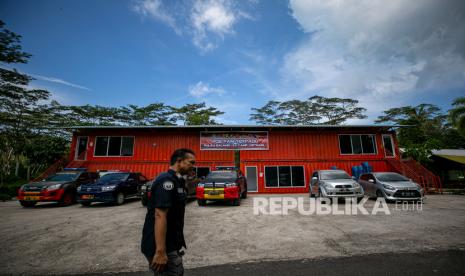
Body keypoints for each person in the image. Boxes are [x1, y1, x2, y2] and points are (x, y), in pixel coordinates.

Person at [141, 148, 196, 276]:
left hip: (171, 243)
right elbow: (160, 215)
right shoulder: (166, 181)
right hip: (161, 246)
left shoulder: (179, 180)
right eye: (191, 162)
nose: (193, 166)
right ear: (179, 161)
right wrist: (160, 252)